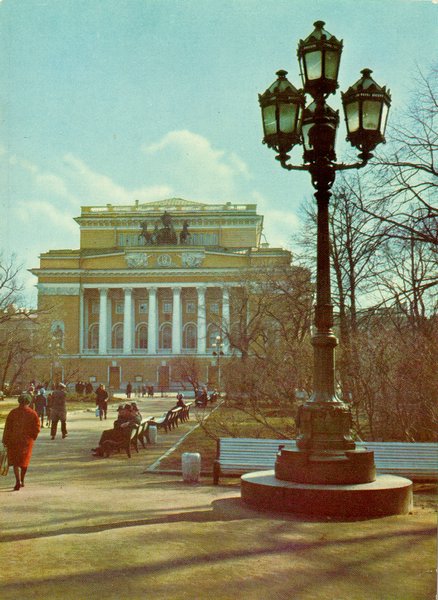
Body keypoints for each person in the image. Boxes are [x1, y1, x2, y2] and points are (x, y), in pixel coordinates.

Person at [2, 393, 40, 490]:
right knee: (24, 462)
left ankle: (17, 480)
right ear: (28, 402)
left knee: (15, 462)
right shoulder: (33, 413)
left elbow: (7, 428)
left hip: (13, 440)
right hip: (26, 442)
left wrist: (5, 440)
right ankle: (22, 480)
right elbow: (37, 428)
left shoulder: (13, 412)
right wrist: (32, 437)